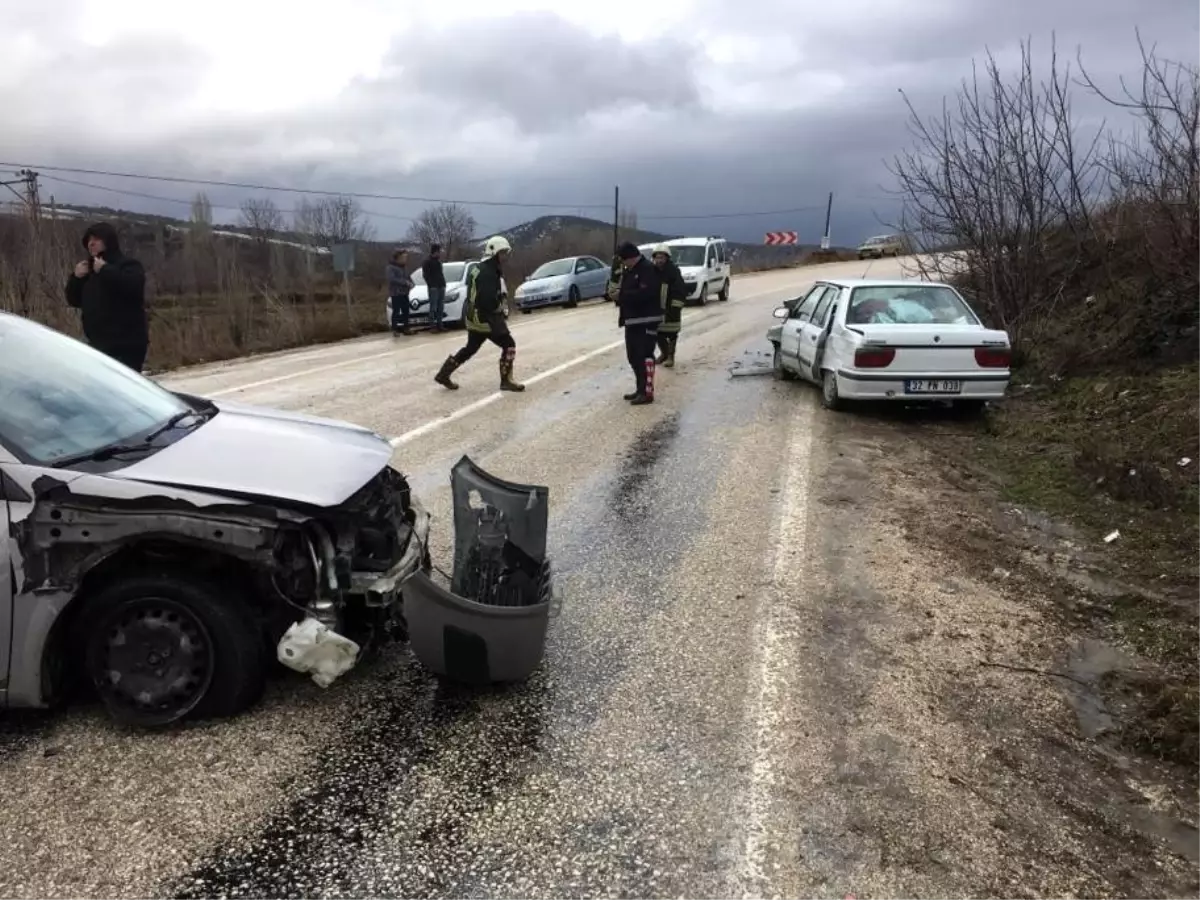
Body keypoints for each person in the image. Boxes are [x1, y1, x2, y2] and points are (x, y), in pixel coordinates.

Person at [434, 236, 525, 392]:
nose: (505, 256)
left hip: (473, 316)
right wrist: (498, 309)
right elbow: (487, 299)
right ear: (494, 252)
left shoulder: (478, 267)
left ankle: (444, 374)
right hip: (486, 317)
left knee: (471, 347)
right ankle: (506, 380)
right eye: (502, 252)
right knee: (509, 344)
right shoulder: (488, 272)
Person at [65, 222, 149, 372]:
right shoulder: (88, 272)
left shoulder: (128, 265)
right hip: (98, 345)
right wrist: (76, 278)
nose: (91, 244)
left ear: (108, 240)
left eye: (96, 239)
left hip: (127, 345)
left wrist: (105, 270)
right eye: (88, 241)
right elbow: (73, 300)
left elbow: (132, 286)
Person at [614, 241, 663, 405]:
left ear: (631, 257)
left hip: (647, 320)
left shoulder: (648, 269)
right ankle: (639, 388)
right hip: (632, 321)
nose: (622, 263)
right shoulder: (630, 271)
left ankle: (647, 392)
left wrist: (622, 296)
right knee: (633, 357)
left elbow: (646, 293)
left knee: (644, 356)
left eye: (623, 259)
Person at [650, 244, 687, 368]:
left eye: (662, 257)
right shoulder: (652, 271)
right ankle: (664, 353)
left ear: (667, 258)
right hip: (656, 308)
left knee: (672, 333)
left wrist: (675, 306)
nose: (659, 260)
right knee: (657, 333)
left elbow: (680, 290)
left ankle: (671, 356)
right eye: (657, 257)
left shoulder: (673, 272)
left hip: (671, 308)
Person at [387, 249, 414, 335]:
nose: (405, 259)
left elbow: (408, 277)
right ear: (398, 258)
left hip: (405, 293)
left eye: (406, 257)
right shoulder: (390, 267)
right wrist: (404, 282)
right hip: (396, 293)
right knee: (396, 311)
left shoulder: (405, 267)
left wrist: (411, 283)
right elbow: (392, 279)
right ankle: (395, 329)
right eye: (403, 257)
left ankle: (406, 328)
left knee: (406, 311)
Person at [421, 243, 447, 331]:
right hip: (433, 287)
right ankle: (432, 325)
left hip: (441, 285)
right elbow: (425, 275)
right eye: (439, 252)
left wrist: (443, 284)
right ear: (435, 251)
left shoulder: (438, 262)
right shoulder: (427, 262)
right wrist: (431, 285)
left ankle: (440, 324)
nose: (440, 253)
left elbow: (441, 273)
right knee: (433, 306)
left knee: (441, 306)